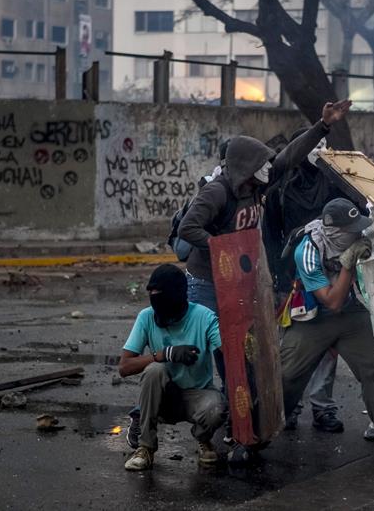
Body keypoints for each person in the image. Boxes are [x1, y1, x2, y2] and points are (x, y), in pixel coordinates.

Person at [178, 100, 352, 449]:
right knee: (219, 352)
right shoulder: (218, 192)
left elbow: (288, 157)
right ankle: (214, 418)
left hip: (238, 282)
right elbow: (187, 227)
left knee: (245, 353)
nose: (268, 169)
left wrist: (322, 125)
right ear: (245, 166)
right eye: (261, 164)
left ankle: (243, 419)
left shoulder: (257, 187)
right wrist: (221, 247)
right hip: (208, 283)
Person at [281, 198, 374, 458]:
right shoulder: (308, 249)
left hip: (352, 314)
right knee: (287, 375)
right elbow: (331, 301)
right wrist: (348, 263)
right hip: (314, 317)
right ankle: (258, 435)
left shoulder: (358, 238)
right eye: (351, 230)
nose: (357, 234)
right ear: (334, 232)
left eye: (359, 228)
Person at [263, 130, 346, 433]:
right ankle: (291, 406)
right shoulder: (281, 189)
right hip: (292, 278)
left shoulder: (336, 183)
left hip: (331, 273)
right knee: (293, 345)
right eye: (315, 145)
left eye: (325, 144)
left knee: (328, 342)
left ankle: (323, 406)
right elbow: (270, 235)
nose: (320, 150)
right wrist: (276, 278)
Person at [119, 264, 225, 471]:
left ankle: (203, 439)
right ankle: (145, 446)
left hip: (197, 394)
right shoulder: (147, 317)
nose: (155, 300)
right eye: (152, 294)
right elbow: (124, 367)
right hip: (163, 396)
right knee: (154, 370)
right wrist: (164, 354)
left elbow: (228, 351)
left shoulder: (204, 316)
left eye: (161, 295)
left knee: (218, 408)